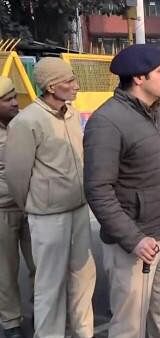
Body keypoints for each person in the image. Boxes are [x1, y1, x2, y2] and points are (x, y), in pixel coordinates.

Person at [84, 44, 160, 338]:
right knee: (129, 325)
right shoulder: (107, 122)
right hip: (135, 243)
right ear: (139, 78)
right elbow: (98, 190)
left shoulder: (157, 116)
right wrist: (133, 239)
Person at [6, 58, 96, 338]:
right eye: (69, 82)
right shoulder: (27, 121)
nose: (75, 86)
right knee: (50, 285)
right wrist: (34, 205)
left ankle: (85, 332)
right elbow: (17, 176)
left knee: (83, 278)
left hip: (79, 208)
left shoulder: (71, 113)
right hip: (48, 216)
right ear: (51, 87)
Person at [0, 77, 35, 338]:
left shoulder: (23, 124)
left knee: (41, 265)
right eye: (7, 100)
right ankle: (11, 320)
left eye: (14, 97)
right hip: (3, 210)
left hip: (32, 206)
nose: (15, 103)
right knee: (5, 270)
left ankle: (42, 310)